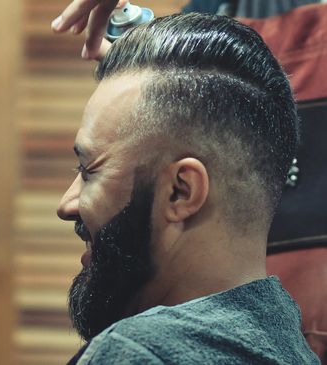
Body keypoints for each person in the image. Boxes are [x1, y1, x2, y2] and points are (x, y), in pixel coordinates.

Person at [53, 2, 321, 364]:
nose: (66, 205)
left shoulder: (136, 354)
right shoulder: (293, 351)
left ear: (182, 190)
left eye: (89, 170)